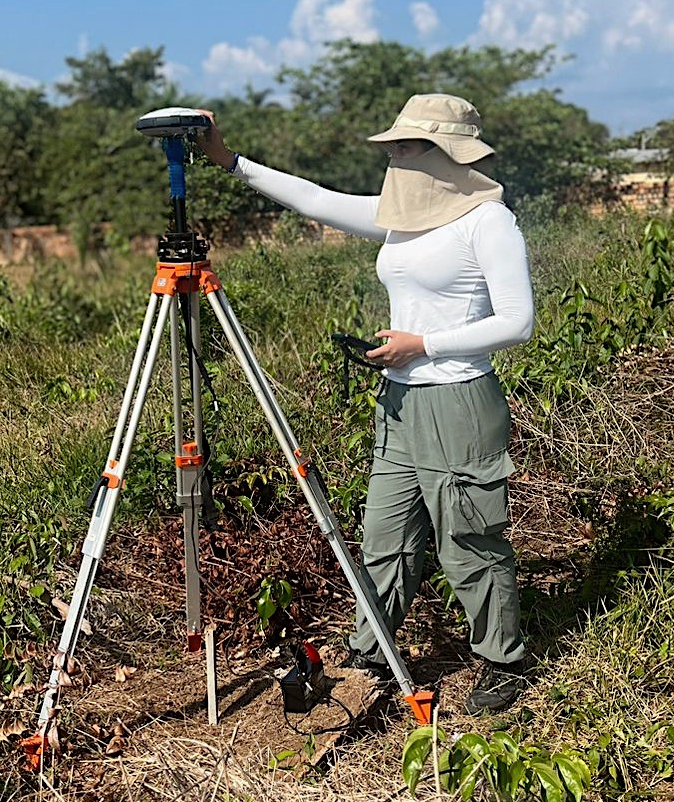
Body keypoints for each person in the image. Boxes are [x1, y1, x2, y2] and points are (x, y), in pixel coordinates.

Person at [195, 94, 534, 713]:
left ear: (447, 153)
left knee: (470, 541)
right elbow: (316, 199)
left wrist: (423, 343)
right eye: (395, 146)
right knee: (385, 535)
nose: (395, 156)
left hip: (458, 398)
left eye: (408, 146)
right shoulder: (403, 217)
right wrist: (229, 160)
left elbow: (518, 321)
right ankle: (372, 652)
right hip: (400, 402)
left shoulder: (488, 222)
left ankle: (502, 660)